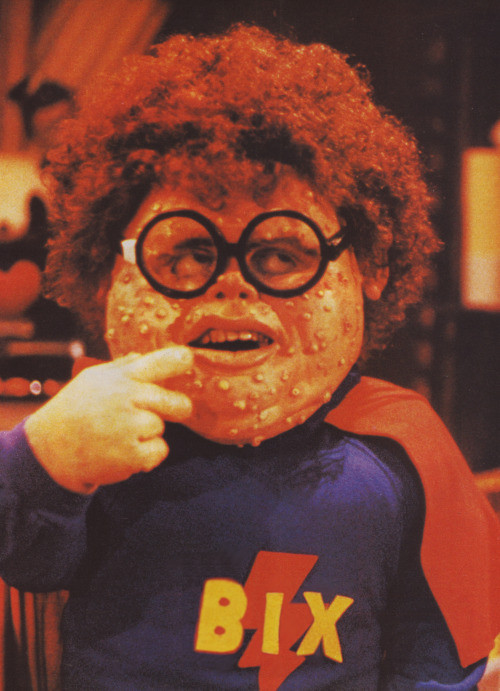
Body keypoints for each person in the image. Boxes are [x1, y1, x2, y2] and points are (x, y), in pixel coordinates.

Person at [0, 24, 498, 690]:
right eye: (188, 253)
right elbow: (25, 562)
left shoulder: (402, 448)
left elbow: (439, 647)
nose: (232, 285)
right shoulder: (105, 429)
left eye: (280, 255)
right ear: (107, 272)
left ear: (370, 266)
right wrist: (42, 460)